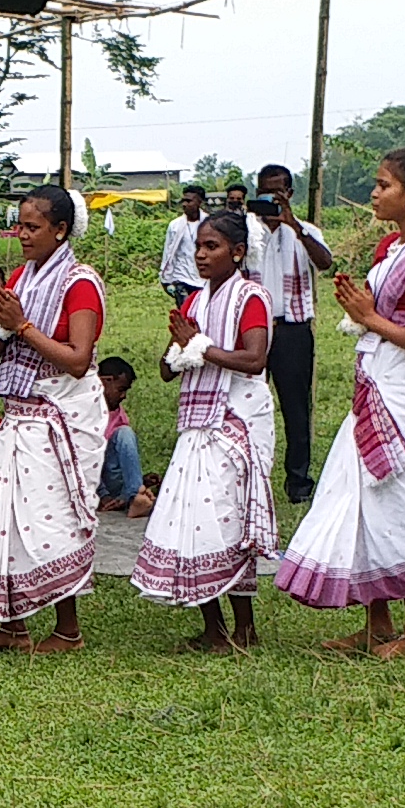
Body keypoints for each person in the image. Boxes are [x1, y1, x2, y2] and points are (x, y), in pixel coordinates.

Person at [276, 148, 405, 658]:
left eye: (382, 185)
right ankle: (377, 621)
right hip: (375, 384)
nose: (374, 194)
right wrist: (364, 313)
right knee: (358, 496)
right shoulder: (388, 249)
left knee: (394, 502)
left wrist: (368, 317)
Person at [0, 184, 109, 653]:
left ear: (61, 229)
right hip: (19, 413)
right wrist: (2, 323)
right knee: (5, 517)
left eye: (33, 227)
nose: (23, 235)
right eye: (20, 225)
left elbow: (77, 358)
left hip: (58, 413)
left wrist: (22, 325)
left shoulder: (80, 282)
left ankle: (68, 630)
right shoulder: (20, 279)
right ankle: (13, 626)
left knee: (50, 521)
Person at [131, 209, 276, 651]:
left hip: (236, 420)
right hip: (196, 425)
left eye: (211, 247)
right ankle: (213, 627)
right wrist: (181, 345)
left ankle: (245, 627)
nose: (200, 255)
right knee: (194, 522)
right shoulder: (193, 301)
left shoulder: (252, 297)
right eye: (197, 246)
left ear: (237, 252)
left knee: (227, 521)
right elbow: (165, 369)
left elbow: (254, 360)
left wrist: (201, 346)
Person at [247, 165, 333, 503]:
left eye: (277, 192)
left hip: (292, 327)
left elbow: (325, 263)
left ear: (289, 194)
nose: (271, 198)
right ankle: (251, 475)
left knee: (296, 408)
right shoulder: (247, 230)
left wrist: (293, 225)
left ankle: (298, 483)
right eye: (265, 192)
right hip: (253, 328)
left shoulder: (305, 230)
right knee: (248, 401)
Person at [94, 358, 153, 517]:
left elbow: (124, 453)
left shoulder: (118, 414)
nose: (124, 396)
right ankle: (134, 494)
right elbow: (82, 459)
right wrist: (103, 495)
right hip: (92, 484)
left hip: (113, 482)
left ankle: (135, 496)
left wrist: (132, 486)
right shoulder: (86, 413)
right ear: (104, 382)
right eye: (120, 389)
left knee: (125, 434)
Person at [158, 184, 207, 310]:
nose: (184, 204)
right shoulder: (174, 226)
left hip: (203, 279)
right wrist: (165, 277)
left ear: (199, 202)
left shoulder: (210, 224)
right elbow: (168, 253)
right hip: (182, 278)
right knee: (185, 314)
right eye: (183, 201)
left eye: (189, 201)